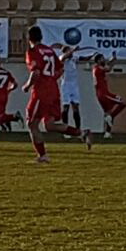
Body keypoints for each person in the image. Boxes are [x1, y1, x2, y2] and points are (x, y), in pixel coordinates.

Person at [22, 26, 91, 163]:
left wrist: (27, 86)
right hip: (54, 90)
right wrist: (51, 79)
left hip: (41, 92)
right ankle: (82, 133)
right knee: (49, 125)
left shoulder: (33, 52)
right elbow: (60, 69)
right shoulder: (50, 51)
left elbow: (35, 72)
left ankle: (42, 155)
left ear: (29, 38)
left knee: (32, 124)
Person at [91, 54, 126, 137]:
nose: (104, 60)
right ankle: (111, 117)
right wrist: (113, 61)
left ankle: (107, 133)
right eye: (102, 59)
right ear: (98, 61)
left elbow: (106, 65)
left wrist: (112, 60)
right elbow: (108, 68)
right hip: (104, 94)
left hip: (100, 94)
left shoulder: (96, 68)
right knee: (123, 102)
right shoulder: (98, 69)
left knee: (108, 112)